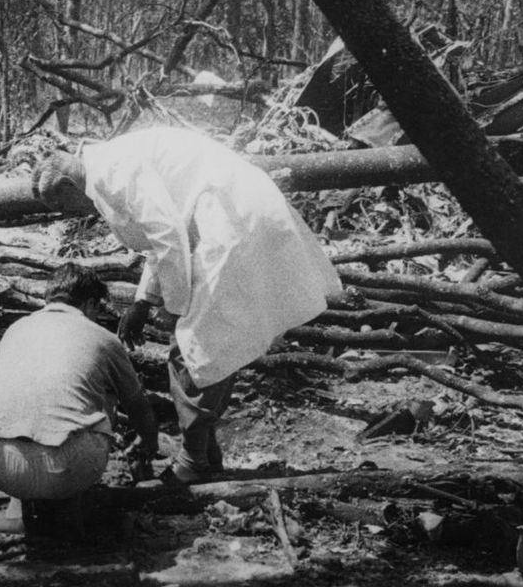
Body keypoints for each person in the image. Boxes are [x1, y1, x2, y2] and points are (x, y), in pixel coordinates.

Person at [32, 127, 342, 484]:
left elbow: (168, 235)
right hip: (222, 217)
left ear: (69, 186)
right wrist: (143, 301)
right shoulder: (107, 167)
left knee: (193, 346)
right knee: (204, 345)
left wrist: (175, 307)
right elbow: (158, 237)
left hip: (230, 218)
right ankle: (206, 454)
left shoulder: (112, 171)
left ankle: (193, 461)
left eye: (61, 206)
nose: (69, 213)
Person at [0, 263, 162, 537]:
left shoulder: (15, 329)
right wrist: (149, 444)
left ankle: (23, 509)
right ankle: (70, 510)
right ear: (89, 304)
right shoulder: (104, 339)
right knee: (105, 394)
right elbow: (137, 406)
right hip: (65, 467)